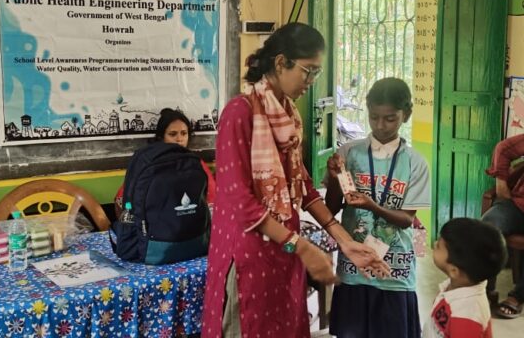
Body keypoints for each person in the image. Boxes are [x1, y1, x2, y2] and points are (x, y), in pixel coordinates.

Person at [201, 22, 389, 338]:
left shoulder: (287, 116)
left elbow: (302, 186)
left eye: (317, 73)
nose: (312, 82)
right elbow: (241, 202)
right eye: (309, 71)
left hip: (283, 249)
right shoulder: (240, 113)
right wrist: (301, 247)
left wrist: (345, 242)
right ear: (280, 63)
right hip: (248, 254)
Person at [326, 77, 431, 338]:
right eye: (374, 117)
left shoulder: (415, 163)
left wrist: (373, 206)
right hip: (354, 267)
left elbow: (406, 220)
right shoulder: (349, 152)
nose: (381, 126)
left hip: (394, 269)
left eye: (390, 119)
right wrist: (335, 179)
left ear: (406, 115)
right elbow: (331, 207)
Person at [114, 108, 216, 219]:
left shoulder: (196, 163)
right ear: (161, 137)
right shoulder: (149, 163)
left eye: (184, 133)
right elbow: (122, 200)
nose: (179, 139)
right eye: (173, 134)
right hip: (155, 226)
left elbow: (212, 200)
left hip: (190, 225)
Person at [423, 218, 507, 337]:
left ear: (454, 270)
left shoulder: (466, 316)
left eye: (439, 246)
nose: (435, 243)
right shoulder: (456, 286)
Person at [482, 133, 524, 318]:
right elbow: (504, 149)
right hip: (517, 205)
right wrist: (501, 183)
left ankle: (517, 296)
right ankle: (484, 291)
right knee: (487, 228)